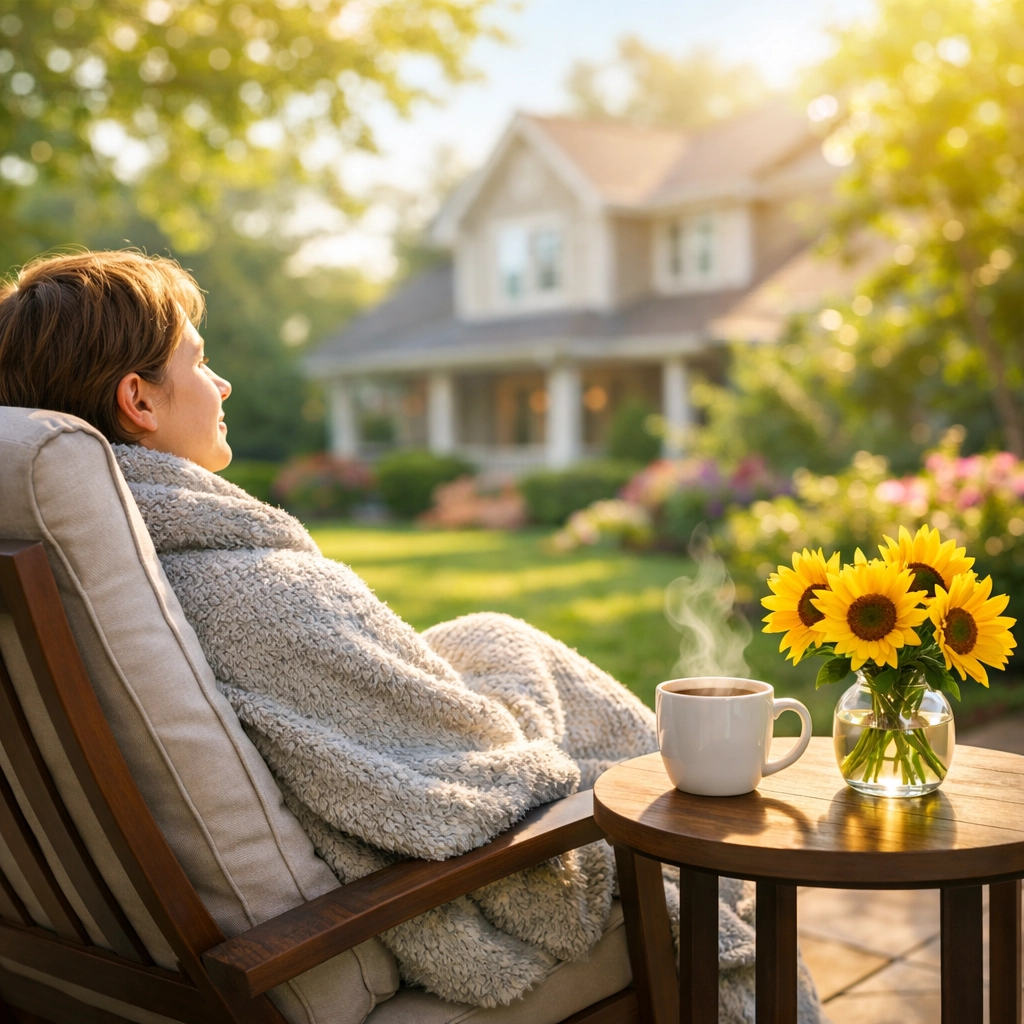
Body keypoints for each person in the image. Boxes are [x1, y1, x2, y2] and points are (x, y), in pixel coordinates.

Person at [0, 250, 823, 1022]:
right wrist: (572, 775)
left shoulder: (73, 575)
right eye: (199, 361)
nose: (222, 384)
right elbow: (465, 779)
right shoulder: (246, 592)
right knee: (691, 824)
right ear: (138, 401)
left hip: (118, 960)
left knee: (496, 640)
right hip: (361, 927)